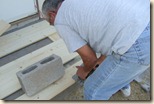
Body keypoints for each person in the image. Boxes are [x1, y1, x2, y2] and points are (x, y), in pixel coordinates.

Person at [42, 0, 150, 100]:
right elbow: (107, 36)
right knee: (114, 66)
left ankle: (117, 83)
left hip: (138, 41)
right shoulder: (78, 5)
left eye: (50, 22)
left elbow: (90, 58)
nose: (52, 24)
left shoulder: (60, 19)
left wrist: (84, 71)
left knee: (93, 91)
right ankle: (121, 84)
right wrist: (99, 61)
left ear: (52, 14)